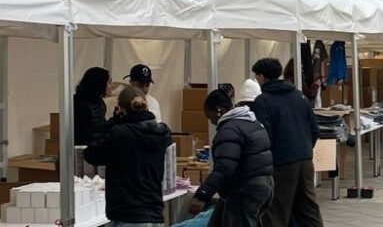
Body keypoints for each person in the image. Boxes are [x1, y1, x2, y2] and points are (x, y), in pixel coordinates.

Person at [84, 87, 172, 227]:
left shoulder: (121, 134)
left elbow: (91, 153)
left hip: (127, 212)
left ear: (121, 108)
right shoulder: (162, 132)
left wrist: (112, 122)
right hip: (153, 211)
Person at [250, 58, 323, 227]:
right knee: (308, 208)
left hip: (281, 162)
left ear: (261, 77)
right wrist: (304, 148)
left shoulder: (263, 101)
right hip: (305, 160)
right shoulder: (300, 96)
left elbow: (263, 136)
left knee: (276, 209)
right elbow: (315, 130)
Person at [190, 88, 274, 227]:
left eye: (209, 116)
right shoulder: (250, 122)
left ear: (218, 110)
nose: (211, 122)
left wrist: (202, 194)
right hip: (264, 185)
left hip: (245, 188)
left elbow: (225, 167)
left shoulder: (229, 130)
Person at [75, 67, 115, 146]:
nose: (112, 86)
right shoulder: (80, 105)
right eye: (109, 82)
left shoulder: (99, 101)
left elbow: (102, 125)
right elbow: (86, 134)